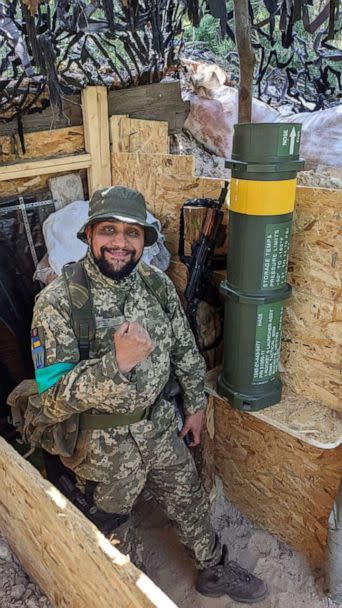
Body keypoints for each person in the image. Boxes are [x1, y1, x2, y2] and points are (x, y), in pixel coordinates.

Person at [31, 185, 268, 603]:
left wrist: (194, 407)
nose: (120, 243)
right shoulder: (58, 303)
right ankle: (126, 593)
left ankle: (212, 569)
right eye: (109, 230)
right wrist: (115, 364)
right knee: (112, 534)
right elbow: (50, 400)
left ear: (144, 240)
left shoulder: (155, 285)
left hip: (159, 428)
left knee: (190, 498)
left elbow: (185, 350)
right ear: (88, 235)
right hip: (101, 448)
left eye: (132, 233)